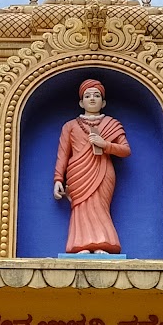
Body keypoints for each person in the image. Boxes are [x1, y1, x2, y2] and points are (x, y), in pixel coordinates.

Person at [54, 78, 132, 254]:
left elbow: (125, 150)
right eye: (87, 96)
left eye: (96, 95)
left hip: (103, 171)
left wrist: (105, 145)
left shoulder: (112, 124)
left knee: (99, 207)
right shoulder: (70, 126)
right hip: (77, 174)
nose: (92, 99)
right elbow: (63, 154)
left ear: (103, 102)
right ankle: (80, 245)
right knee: (81, 207)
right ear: (81, 101)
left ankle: (102, 244)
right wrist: (58, 178)